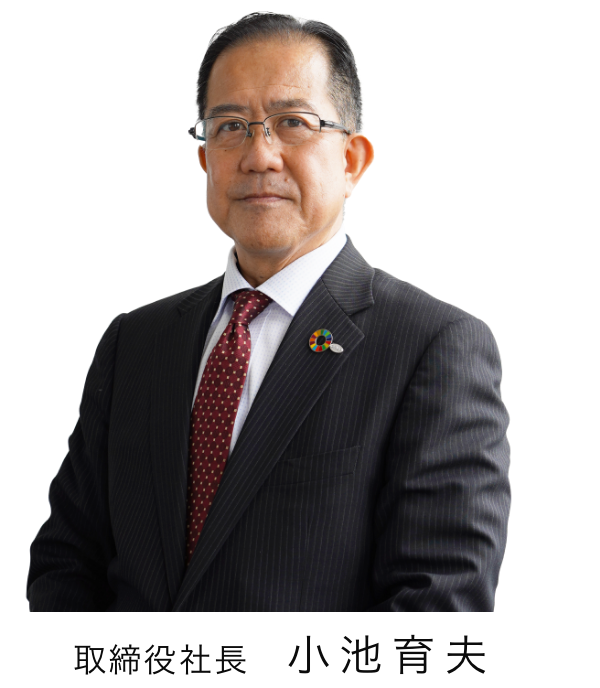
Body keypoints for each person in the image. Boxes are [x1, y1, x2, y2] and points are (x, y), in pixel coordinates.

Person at [26, 12, 511, 612]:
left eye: (293, 123)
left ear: (353, 159)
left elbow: (439, 597)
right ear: (205, 159)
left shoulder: (434, 345)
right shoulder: (135, 341)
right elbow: (67, 559)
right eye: (230, 126)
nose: (259, 155)